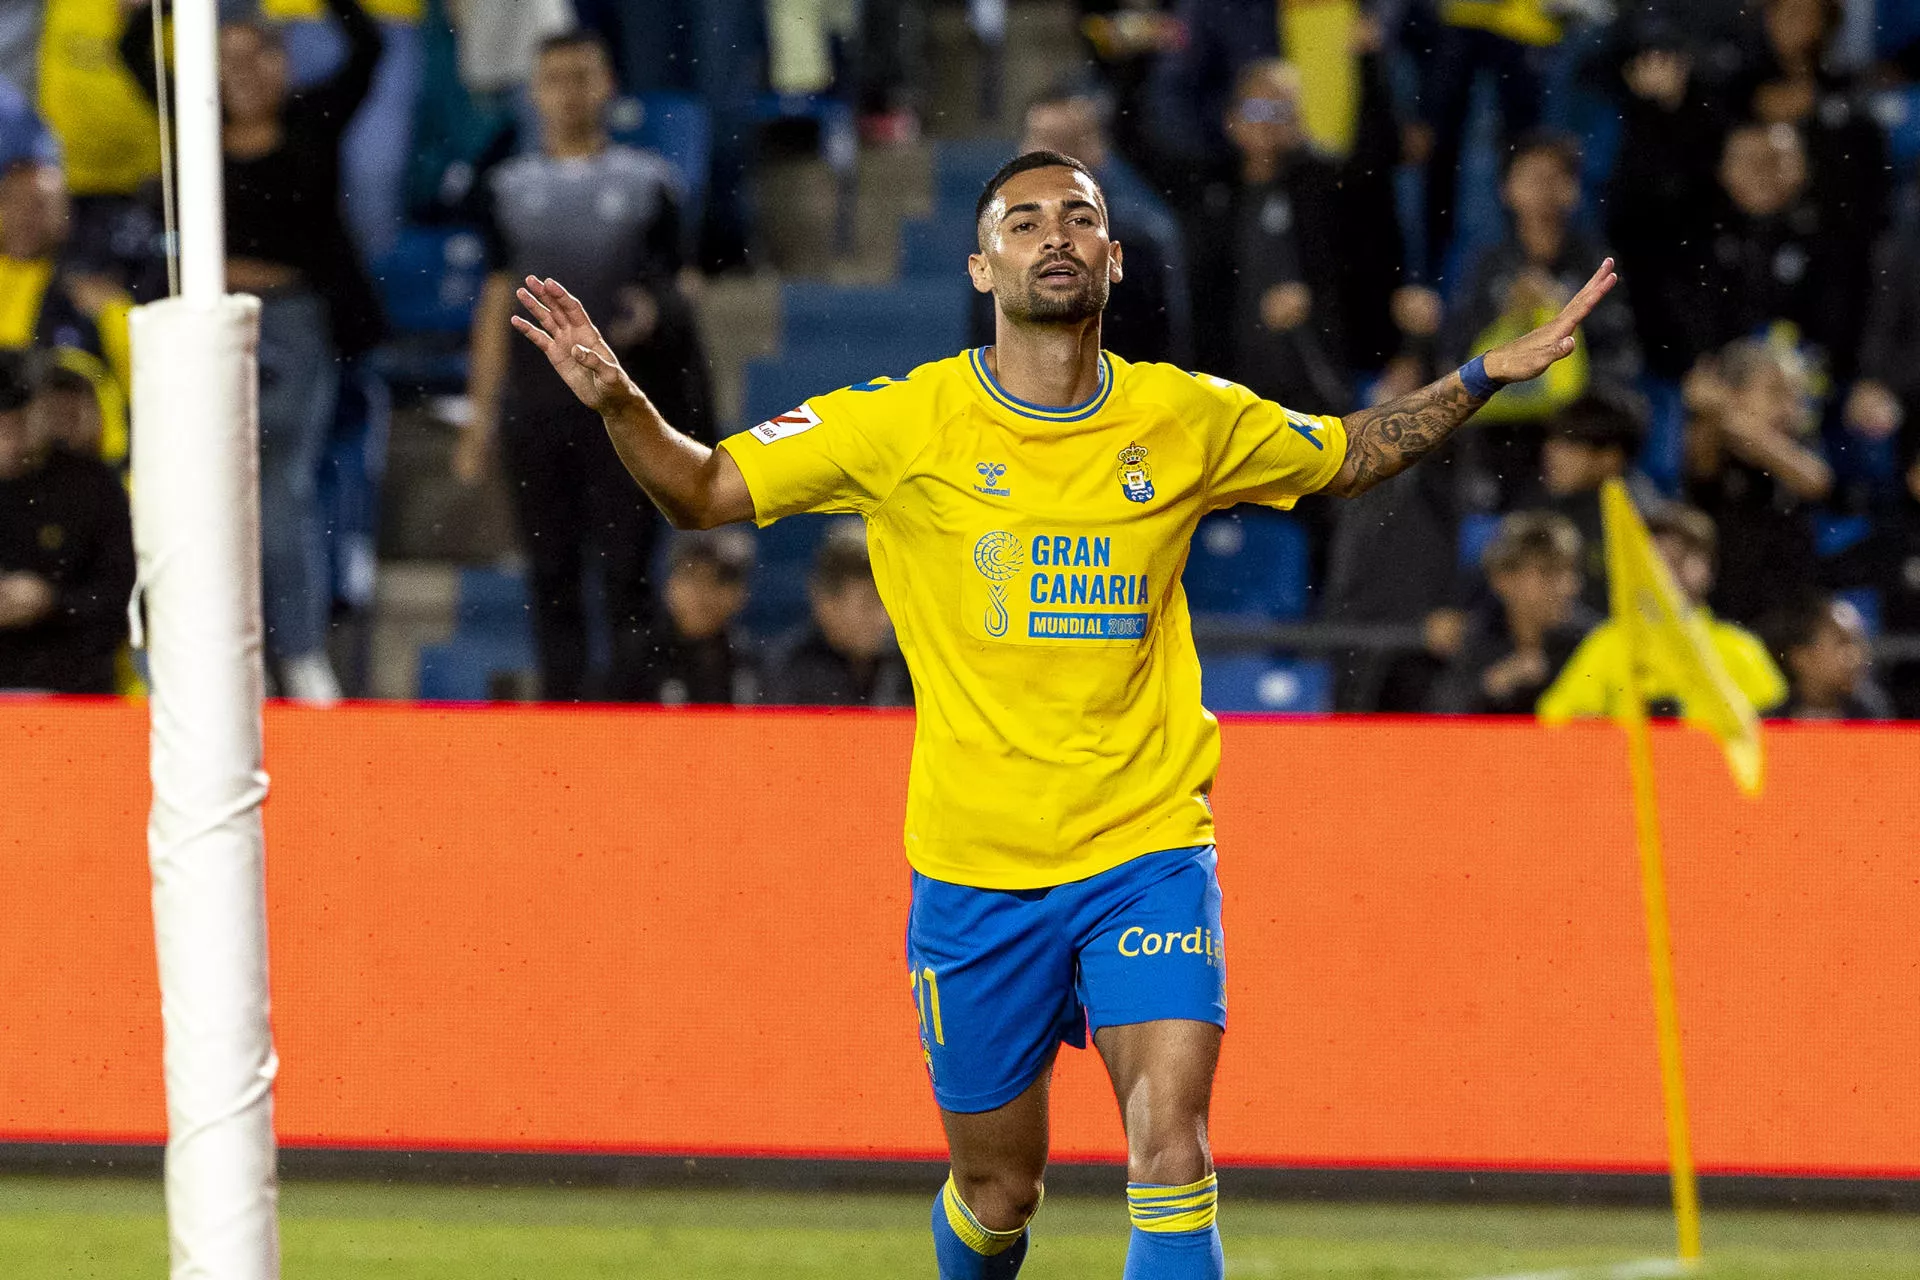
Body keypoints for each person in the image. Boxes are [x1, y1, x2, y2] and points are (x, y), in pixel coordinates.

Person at [505, 146, 1613, 1277]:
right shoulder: (903, 424)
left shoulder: (1185, 415)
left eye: (1077, 217)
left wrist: (1482, 375)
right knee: (999, 1187)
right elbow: (701, 490)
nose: (1053, 235)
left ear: (1114, 257)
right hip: (977, 865)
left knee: (1170, 1147)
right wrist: (622, 401)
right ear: (983, 266)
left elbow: (1343, 456)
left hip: (1146, 844)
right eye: (1022, 220)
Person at [122, 0, 389, 704]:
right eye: (227, 57)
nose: (242, 72)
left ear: (285, 60)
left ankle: (299, 653)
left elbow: (368, 48)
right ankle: (210, 661)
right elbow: (132, 45)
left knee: (282, 490)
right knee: (200, 492)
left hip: (296, 326)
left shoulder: (313, 119)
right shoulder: (196, 125)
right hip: (206, 330)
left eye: (258, 54)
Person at [456, 29, 713, 702]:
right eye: (555, 78)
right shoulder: (508, 186)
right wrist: (480, 418)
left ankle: (625, 712)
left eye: (582, 76)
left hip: (622, 413)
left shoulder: (648, 183)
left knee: (626, 570)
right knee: (550, 571)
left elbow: (680, 294)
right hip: (537, 409)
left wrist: (659, 328)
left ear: (608, 85)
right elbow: (493, 301)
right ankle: (562, 714)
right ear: (535, 92)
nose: (569, 92)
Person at [1440, 130, 1640, 510]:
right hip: (1498, 434)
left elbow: (1620, 356)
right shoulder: (1487, 266)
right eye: (1531, 178)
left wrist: (1562, 311)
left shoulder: (1597, 263)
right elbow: (1455, 351)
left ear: (1574, 189)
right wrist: (1506, 317)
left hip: (1572, 429)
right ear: (1506, 189)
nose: (1543, 190)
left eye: (1555, 178)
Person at [970, 83, 1190, 367]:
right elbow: (983, 338)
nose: (1052, 155)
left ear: (1097, 148)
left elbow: (1168, 353)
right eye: (1043, 139)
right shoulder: (996, 232)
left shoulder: (1143, 242)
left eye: (1066, 141)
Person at [1538, 504, 1788, 721]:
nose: (1666, 572)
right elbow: (1558, 722)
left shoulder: (1740, 649)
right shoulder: (1608, 643)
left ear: (1708, 568)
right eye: (1655, 560)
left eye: (1680, 558)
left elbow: (1778, 731)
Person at [0, 352, 134, 695]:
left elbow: (124, 596)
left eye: (17, 425)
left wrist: (53, 602)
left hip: (72, 691)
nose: (9, 443)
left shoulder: (88, 484)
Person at [1681, 338, 1831, 626]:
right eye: (1776, 393)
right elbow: (1700, 464)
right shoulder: (1710, 436)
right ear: (1735, 392)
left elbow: (1816, 481)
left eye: (1795, 396)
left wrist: (1724, 409)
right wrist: (1720, 414)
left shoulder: (1798, 444)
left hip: (1791, 616)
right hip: (1727, 614)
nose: (1790, 408)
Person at [1429, 511, 1594, 715]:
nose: (1568, 586)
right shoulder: (1475, 639)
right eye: (1547, 572)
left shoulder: (1593, 641)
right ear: (1502, 579)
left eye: (1571, 571)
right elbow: (1441, 719)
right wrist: (1494, 686)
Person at [765, 518, 910, 707]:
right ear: (826, 603)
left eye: (889, 604)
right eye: (868, 604)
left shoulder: (911, 668)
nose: (885, 619)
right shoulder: (784, 672)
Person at [1540, 389, 1661, 615]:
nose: (1551, 451)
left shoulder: (1641, 518)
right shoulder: (1553, 503)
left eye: (1570, 443)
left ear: (1610, 457)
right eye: (1553, 439)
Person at [633, 527, 760, 706]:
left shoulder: (752, 661)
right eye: (692, 577)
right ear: (670, 585)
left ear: (741, 593)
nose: (704, 594)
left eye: (720, 580)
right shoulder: (637, 660)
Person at [1761, 594, 1892, 721]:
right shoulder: (1770, 719)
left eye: (1857, 643)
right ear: (1801, 657)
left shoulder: (1870, 716)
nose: (1855, 655)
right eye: (1842, 643)